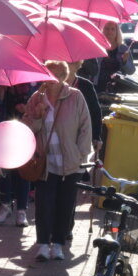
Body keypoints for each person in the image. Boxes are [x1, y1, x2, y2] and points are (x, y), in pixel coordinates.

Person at [22, 61, 93, 261]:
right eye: (46, 75)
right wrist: (37, 115)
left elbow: (86, 127)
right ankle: (43, 244)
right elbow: (27, 127)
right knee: (43, 204)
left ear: (63, 77)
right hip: (45, 162)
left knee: (65, 204)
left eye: (54, 76)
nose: (50, 80)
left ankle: (59, 244)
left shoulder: (75, 96)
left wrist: (80, 155)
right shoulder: (37, 98)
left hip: (69, 162)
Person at [0, 82, 37, 227]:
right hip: (4, 130)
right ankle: (5, 204)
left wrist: (27, 109)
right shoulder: (1, 84)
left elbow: (40, 109)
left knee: (23, 171)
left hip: (24, 131)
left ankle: (21, 210)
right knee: (4, 170)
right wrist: (0, 95)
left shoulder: (33, 84)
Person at [90, 20, 135, 93]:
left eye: (112, 29)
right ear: (103, 30)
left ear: (117, 32)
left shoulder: (123, 49)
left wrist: (124, 62)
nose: (109, 31)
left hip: (118, 87)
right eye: (107, 29)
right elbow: (91, 70)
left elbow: (131, 71)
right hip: (98, 87)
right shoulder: (97, 47)